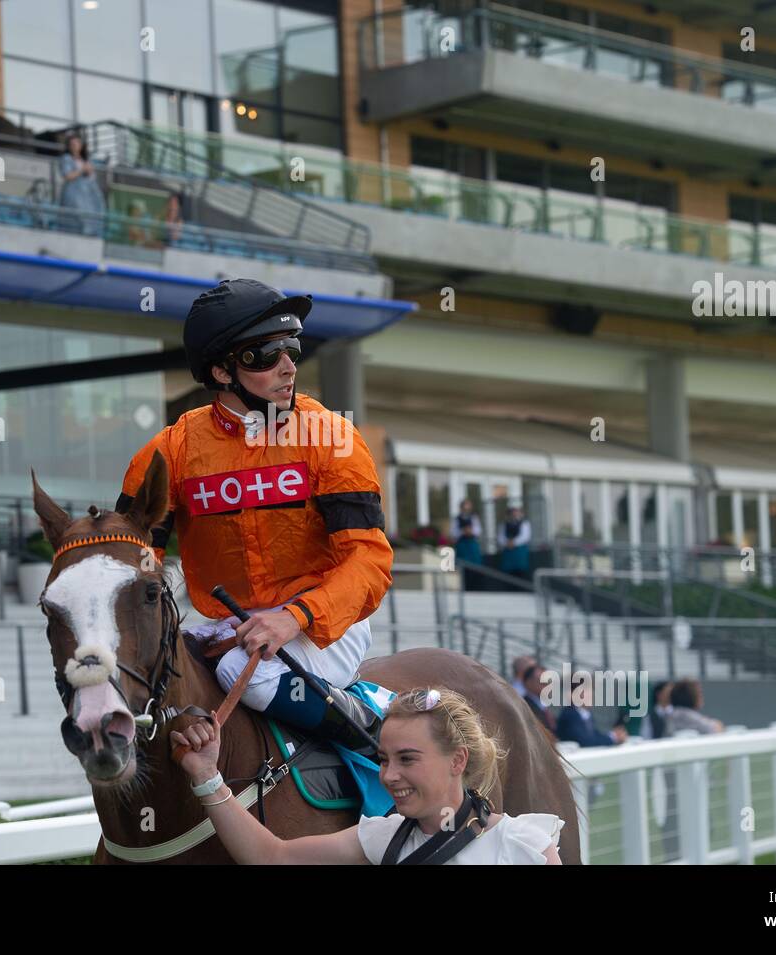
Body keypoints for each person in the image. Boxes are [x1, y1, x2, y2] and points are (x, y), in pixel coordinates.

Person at [115, 278, 393, 755]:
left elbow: (369, 562)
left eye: (292, 349)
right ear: (222, 372)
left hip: (324, 625)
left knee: (246, 676)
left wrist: (294, 617)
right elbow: (129, 563)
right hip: (229, 624)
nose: (289, 367)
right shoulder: (168, 452)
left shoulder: (332, 438)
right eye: (265, 356)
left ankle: (377, 733)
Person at [172, 687, 564, 864]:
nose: (389, 776)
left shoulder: (523, 847)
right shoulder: (381, 837)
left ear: (457, 761)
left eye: (407, 759)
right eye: (383, 759)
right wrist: (207, 775)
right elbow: (272, 856)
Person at [556, 674, 628, 747]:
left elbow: (595, 735)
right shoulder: (569, 715)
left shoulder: (585, 714)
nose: (592, 694)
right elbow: (586, 741)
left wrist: (613, 735)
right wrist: (613, 738)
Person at [58, 133, 106, 236]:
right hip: (74, 193)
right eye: (72, 144)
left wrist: (89, 171)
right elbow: (68, 176)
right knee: (77, 215)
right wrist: (82, 170)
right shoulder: (66, 158)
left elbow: (91, 176)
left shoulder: (85, 160)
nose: (75, 146)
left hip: (88, 194)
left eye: (77, 143)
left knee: (94, 214)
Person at [520, 664, 556, 736]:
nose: (546, 685)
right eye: (542, 681)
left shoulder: (548, 705)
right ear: (528, 682)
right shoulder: (524, 706)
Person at [499, 503, 531, 579]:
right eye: (512, 511)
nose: (514, 513)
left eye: (516, 511)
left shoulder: (525, 523)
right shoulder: (503, 524)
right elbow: (500, 538)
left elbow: (525, 537)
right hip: (508, 556)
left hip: (520, 556)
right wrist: (507, 543)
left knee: (521, 576)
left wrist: (513, 542)